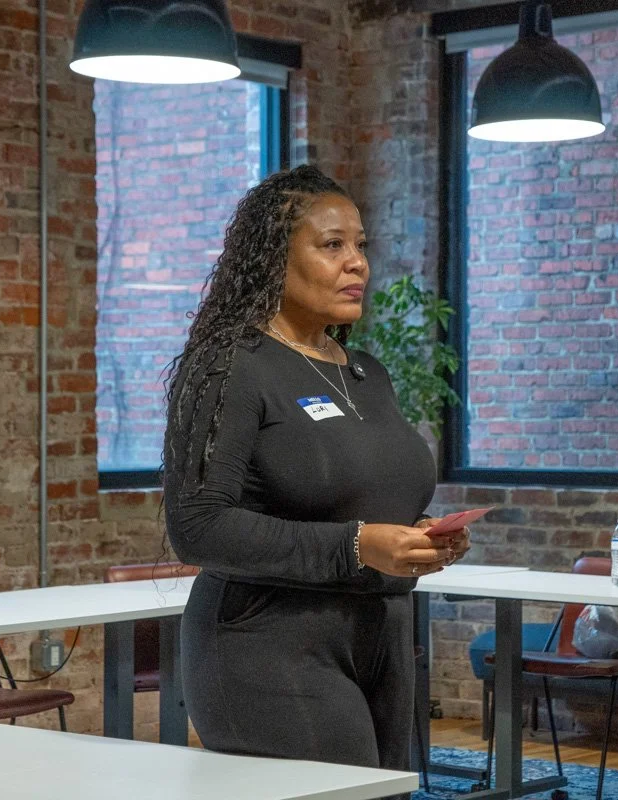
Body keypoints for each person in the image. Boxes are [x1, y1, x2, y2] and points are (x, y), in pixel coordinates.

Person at [162, 165, 470, 777]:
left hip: (381, 636)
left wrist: (422, 537)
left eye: (360, 245)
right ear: (272, 257)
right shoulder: (229, 366)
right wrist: (358, 546)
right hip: (266, 644)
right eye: (332, 245)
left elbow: (363, 500)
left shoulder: (367, 372)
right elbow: (197, 526)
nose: (356, 263)